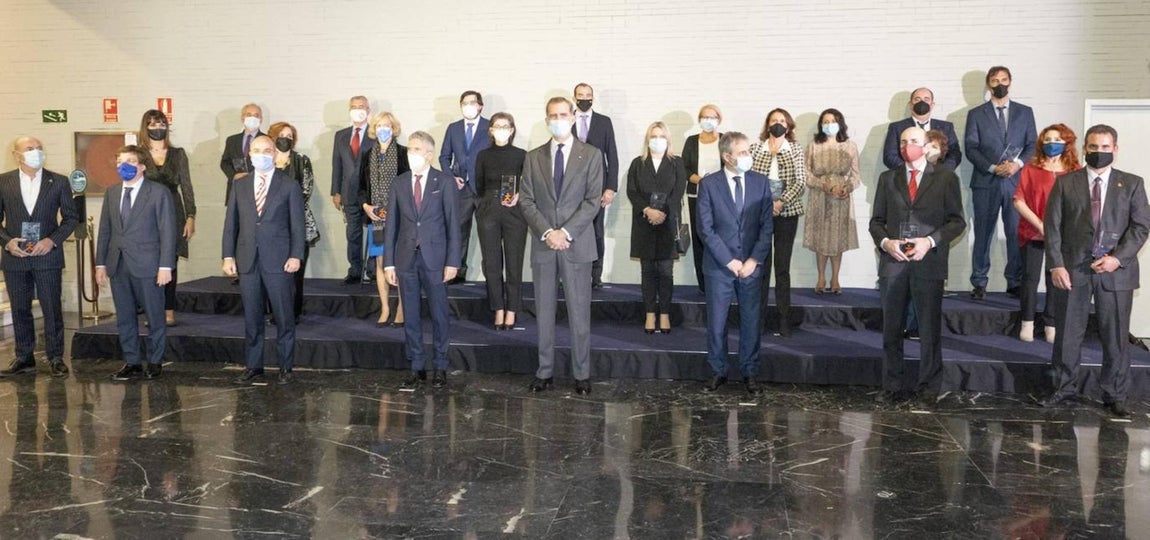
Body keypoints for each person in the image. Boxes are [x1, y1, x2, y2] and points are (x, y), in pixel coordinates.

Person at [1040, 124, 1150, 418]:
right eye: (1093, 147)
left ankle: (1115, 394)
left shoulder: (1132, 184)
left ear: (1115, 149)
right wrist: (1056, 264)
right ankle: (1063, 389)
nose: (1099, 152)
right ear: (1084, 149)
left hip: (1116, 273)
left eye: (1105, 147)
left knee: (1115, 336)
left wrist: (1118, 259)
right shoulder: (1065, 183)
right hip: (1072, 271)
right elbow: (1052, 227)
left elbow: (1141, 227)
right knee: (1067, 334)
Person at [869, 126, 966, 406]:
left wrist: (929, 241)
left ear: (926, 145)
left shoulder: (946, 178)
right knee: (891, 329)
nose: (907, 146)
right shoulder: (888, 178)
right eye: (902, 142)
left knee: (928, 330)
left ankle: (928, 388)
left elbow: (956, 221)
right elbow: (876, 221)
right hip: (894, 264)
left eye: (913, 140)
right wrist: (886, 243)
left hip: (928, 263)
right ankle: (892, 386)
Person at [519, 96, 604, 395]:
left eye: (563, 114)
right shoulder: (533, 157)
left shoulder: (591, 155)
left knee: (579, 313)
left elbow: (592, 200)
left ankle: (582, 373)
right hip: (544, 245)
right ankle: (545, 371)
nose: (558, 120)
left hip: (576, 244)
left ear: (572, 118)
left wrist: (565, 232)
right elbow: (526, 200)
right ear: (547, 120)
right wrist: (548, 232)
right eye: (553, 115)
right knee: (544, 313)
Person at [222, 135, 305, 385]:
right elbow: (231, 224)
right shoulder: (240, 185)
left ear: (275, 154)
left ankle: (285, 367)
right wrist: (227, 255)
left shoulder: (289, 185)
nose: (262, 154)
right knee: (252, 317)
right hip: (248, 259)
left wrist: (296, 255)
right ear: (249, 154)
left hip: (279, 260)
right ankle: (254, 366)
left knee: (284, 316)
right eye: (256, 150)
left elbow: (297, 225)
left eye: (267, 150)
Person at [696, 132, 774, 395]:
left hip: (751, 266)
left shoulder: (761, 183)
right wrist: (729, 261)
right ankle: (718, 371)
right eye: (742, 152)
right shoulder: (709, 185)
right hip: (719, 266)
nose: (747, 156)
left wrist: (753, 260)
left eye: (748, 151)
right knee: (717, 322)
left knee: (751, 321)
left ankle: (750, 372)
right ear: (726, 156)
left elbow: (766, 228)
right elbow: (705, 229)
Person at [384, 131, 460, 390]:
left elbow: (453, 225)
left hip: (436, 259)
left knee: (439, 314)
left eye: (416, 149)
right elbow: (391, 225)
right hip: (406, 259)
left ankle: (440, 366)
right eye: (409, 149)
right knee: (411, 315)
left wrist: (453, 262)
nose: (411, 153)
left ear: (429, 154)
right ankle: (416, 365)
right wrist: (389, 263)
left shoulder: (444, 182)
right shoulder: (399, 183)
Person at [96, 145, 177, 381]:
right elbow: (105, 230)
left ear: (142, 166)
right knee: (124, 316)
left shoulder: (158, 192)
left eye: (130, 161)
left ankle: (155, 360)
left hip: (149, 265)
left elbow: (168, 231)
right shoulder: (112, 193)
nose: (124, 165)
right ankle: (131, 361)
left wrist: (165, 266)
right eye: (120, 161)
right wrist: (100, 264)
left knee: (154, 315)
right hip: (118, 264)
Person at [0, 137, 78, 378]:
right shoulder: (3, 181)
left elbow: (71, 218)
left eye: (39, 148)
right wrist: (7, 242)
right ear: (17, 155)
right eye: (30, 149)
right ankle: (24, 357)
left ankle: (56, 357)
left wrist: (51, 240)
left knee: (52, 308)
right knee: (20, 308)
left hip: (47, 256)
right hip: (16, 257)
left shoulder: (59, 181)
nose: (36, 152)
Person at [964, 66, 1037, 300]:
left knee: (1014, 233)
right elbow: (971, 148)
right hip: (986, 181)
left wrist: (1017, 164)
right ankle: (979, 282)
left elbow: (1032, 145)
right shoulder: (976, 114)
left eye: (1004, 80)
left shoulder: (1025, 112)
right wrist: (993, 168)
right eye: (995, 80)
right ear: (988, 85)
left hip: (1016, 182)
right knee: (983, 234)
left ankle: (1014, 281)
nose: (1000, 84)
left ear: (1010, 82)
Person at [1013, 124, 1079, 343]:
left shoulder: (1075, 170)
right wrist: (1041, 225)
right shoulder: (1031, 169)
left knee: (1055, 279)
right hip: (1032, 231)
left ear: (1067, 143)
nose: (1052, 143)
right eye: (1048, 139)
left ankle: (1051, 323)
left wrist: (1058, 229)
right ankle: (1027, 322)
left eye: (1057, 140)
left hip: (1062, 235)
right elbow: (1019, 200)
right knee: (1030, 278)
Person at [626, 121, 687, 334]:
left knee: (666, 271)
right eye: (654, 136)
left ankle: (665, 314)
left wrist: (661, 214)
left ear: (668, 139)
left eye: (661, 136)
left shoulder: (677, 163)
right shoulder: (638, 163)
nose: (657, 140)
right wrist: (647, 210)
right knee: (648, 271)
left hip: (667, 224)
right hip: (644, 223)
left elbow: (678, 191)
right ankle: (650, 313)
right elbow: (632, 191)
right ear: (647, 139)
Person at [750, 108, 806, 337]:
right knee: (761, 267)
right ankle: (759, 320)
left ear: (788, 125)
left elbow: (800, 181)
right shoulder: (755, 148)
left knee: (782, 268)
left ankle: (784, 319)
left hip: (787, 213)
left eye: (782, 120)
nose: (778, 123)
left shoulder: (795, 149)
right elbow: (750, 179)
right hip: (760, 213)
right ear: (767, 124)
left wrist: (781, 201)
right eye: (774, 120)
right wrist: (767, 204)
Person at [140, 109, 196, 327]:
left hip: (173, 210)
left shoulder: (178, 154)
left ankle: (169, 310)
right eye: (153, 124)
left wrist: (191, 216)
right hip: (146, 212)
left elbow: (187, 186)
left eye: (162, 124)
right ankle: (152, 310)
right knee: (149, 263)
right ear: (145, 127)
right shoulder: (139, 154)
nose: (158, 128)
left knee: (170, 261)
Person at [474, 112, 528, 330]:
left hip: (515, 211)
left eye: (506, 126)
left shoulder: (522, 155)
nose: (501, 129)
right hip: (489, 209)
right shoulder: (483, 155)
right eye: (497, 126)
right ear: (491, 130)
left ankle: (512, 309)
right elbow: (478, 184)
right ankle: (497, 308)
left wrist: (520, 195)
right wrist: (485, 204)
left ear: (512, 130)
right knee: (492, 263)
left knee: (514, 262)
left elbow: (529, 183)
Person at [359, 112, 409, 327]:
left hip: (399, 217)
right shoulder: (367, 155)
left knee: (400, 262)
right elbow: (361, 188)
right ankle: (385, 308)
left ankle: (402, 309)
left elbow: (409, 185)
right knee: (381, 262)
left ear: (394, 128)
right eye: (379, 125)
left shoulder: (403, 153)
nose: (383, 129)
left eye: (387, 125)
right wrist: (366, 206)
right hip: (376, 219)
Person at [803, 108, 860, 295]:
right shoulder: (813, 145)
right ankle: (821, 277)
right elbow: (806, 173)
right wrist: (823, 185)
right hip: (819, 195)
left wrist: (847, 187)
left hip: (841, 197)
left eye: (833, 121)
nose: (829, 125)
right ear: (821, 125)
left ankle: (835, 277)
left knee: (837, 238)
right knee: (820, 237)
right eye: (825, 122)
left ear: (840, 124)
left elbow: (856, 175)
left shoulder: (850, 146)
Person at [269, 121, 320, 321]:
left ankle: (293, 312)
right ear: (273, 137)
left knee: (295, 273)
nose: (285, 139)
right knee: (275, 272)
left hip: (298, 222)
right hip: (271, 225)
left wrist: (285, 209)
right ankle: (276, 312)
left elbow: (306, 190)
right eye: (282, 135)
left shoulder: (301, 160)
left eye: (290, 136)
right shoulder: (266, 160)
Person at [439, 90, 490, 284]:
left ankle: (491, 274)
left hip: (484, 188)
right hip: (461, 189)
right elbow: (444, 157)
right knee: (459, 230)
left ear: (480, 106)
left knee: (488, 232)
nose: (468, 106)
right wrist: (451, 177)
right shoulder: (453, 128)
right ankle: (457, 272)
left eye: (472, 102)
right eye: (464, 103)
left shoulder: (490, 126)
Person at [572, 83, 619, 289]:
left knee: (597, 231)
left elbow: (612, 155)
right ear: (574, 97)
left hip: (598, 184)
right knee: (572, 228)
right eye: (580, 95)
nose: (584, 98)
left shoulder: (604, 122)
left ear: (593, 97)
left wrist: (610, 187)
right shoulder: (567, 120)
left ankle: (595, 275)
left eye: (588, 95)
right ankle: (572, 272)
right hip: (571, 186)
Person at [331, 95, 376, 284]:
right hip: (348, 193)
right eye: (354, 106)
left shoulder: (376, 133)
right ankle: (355, 271)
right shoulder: (340, 135)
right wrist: (335, 191)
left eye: (362, 106)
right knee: (353, 233)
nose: (358, 109)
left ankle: (373, 271)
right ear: (349, 110)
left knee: (375, 232)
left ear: (368, 110)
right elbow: (337, 164)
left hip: (372, 194)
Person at [681, 104, 723, 293]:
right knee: (700, 240)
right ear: (699, 120)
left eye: (712, 117)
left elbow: (732, 165)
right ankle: (703, 285)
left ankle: (720, 281)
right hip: (696, 196)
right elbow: (684, 168)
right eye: (705, 117)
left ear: (719, 120)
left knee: (720, 239)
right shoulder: (691, 141)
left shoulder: (725, 139)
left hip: (722, 199)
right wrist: (701, 181)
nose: (708, 120)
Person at [882, 88, 962, 171]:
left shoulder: (946, 127)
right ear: (910, 104)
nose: (922, 102)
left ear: (932, 105)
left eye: (926, 99)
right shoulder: (896, 127)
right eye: (917, 99)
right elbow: (889, 156)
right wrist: (911, 170)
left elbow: (955, 154)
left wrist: (941, 171)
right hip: (907, 176)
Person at [220, 103, 264, 207]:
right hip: (236, 188)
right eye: (249, 115)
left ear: (261, 119)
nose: (252, 118)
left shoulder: (267, 140)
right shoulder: (232, 140)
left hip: (259, 191)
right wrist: (234, 175)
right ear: (242, 117)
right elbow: (225, 163)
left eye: (256, 115)